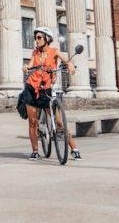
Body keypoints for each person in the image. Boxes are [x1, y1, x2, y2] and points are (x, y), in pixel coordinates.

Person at [21, 26, 81, 161]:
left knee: (59, 122)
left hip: (45, 89)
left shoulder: (54, 51)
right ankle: (35, 151)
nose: (37, 40)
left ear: (47, 39)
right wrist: (26, 67)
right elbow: (30, 65)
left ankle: (74, 148)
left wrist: (70, 64)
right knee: (32, 122)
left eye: (39, 38)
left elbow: (65, 60)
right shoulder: (35, 53)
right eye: (35, 38)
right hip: (31, 87)